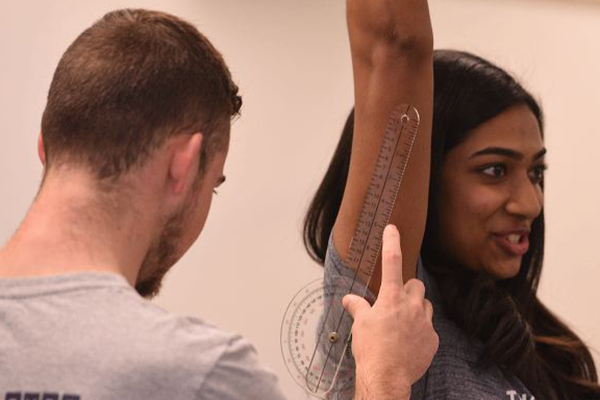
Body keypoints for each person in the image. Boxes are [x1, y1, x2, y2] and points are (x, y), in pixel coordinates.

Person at [0, 5, 437, 400]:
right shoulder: (196, 375)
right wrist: (385, 375)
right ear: (183, 166)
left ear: (45, 147)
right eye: (213, 185)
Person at [305, 50, 600, 399]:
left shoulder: (545, 347)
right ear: (423, 179)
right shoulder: (386, 311)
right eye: (495, 170)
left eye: (536, 172)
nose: (531, 204)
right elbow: (395, 42)